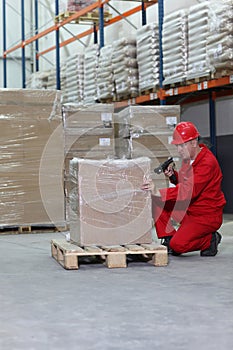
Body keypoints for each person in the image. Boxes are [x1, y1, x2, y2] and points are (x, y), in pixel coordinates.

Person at [141, 121, 226, 256]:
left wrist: (157, 191)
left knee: (179, 246)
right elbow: (187, 182)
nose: (179, 150)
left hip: (205, 216)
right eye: (177, 146)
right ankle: (169, 239)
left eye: (182, 145)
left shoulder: (207, 163)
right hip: (190, 208)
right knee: (157, 201)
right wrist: (174, 177)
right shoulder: (189, 159)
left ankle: (210, 239)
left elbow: (189, 191)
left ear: (193, 142)